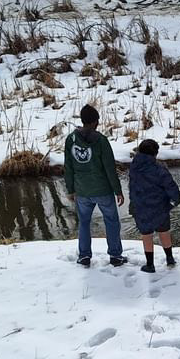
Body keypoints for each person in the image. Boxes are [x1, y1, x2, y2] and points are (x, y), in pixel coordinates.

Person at [64, 104, 126, 268]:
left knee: (84, 223)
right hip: (103, 190)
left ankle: (84, 256)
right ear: (95, 121)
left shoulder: (71, 139)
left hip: (82, 191)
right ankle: (115, 256)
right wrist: (118, 190)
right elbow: (109, 168)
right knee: (111, 221)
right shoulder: (101, 140)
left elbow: (68, 166)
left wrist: (70, 189)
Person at [128, 139, 180, 273]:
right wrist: (175, 200)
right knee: (163, 232)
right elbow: (170, 186)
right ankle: (169, 258)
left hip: (140, 207)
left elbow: (133, 187)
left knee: (146, 234)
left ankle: (150, 264)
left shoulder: (134, 167)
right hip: (160, 206)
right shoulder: (159, 169)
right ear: (155, 154)